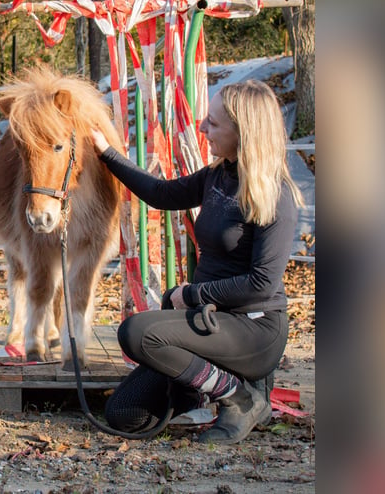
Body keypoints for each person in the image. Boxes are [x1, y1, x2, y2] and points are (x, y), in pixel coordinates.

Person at [90, 79, 304, 444]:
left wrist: (190, 295)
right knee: (125, 414)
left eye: (214, 123)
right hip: (210, 323)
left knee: (136, 332)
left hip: (253, 330)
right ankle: (199, 393)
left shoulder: (276, 196)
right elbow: (160, 193)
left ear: (244, 132)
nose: (203, 128)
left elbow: (260, 284)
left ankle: (241, 398)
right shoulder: (218, 175)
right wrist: (105, 151)